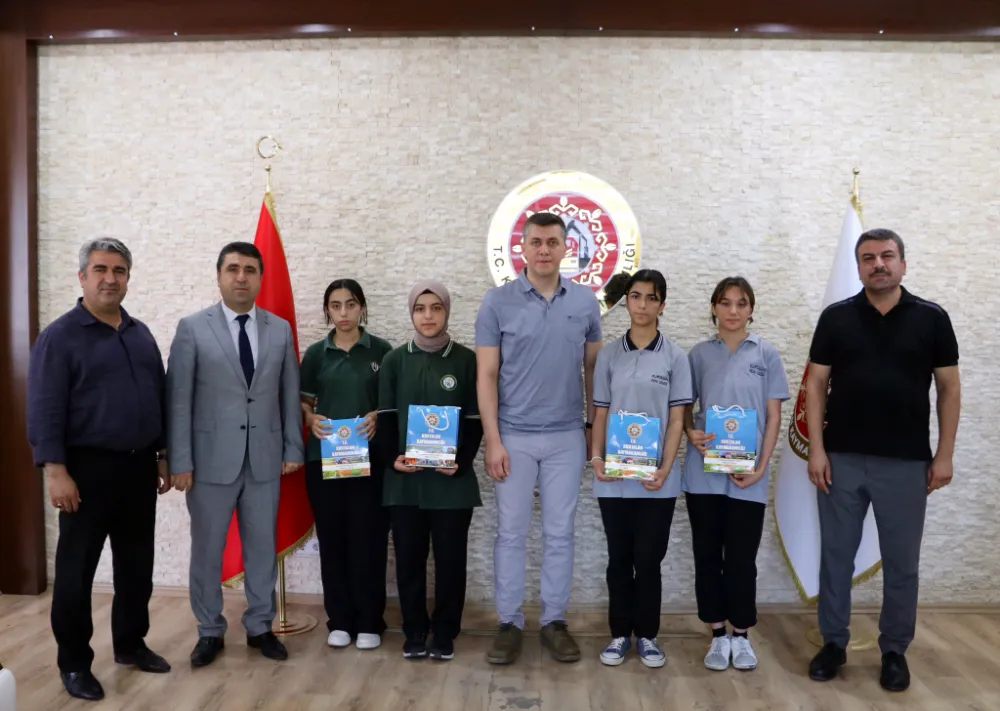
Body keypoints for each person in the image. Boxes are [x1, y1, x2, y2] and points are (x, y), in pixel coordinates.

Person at [805, 229, 960, 692]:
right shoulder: (836, 317)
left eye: (887, 256)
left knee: (902, 563)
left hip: (906, 463)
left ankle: (894, 650)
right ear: (858, 267)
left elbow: (949, 388)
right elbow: (815, 384)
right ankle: (834, 643)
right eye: (868, 257)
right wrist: (816, 449)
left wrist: (945, 454)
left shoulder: (932, 318)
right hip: (841, 459)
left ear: (902, 264)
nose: (878, 264)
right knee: (836, 557)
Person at [27, 238, 172, 702]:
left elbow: (158, 398)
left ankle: (130, 643)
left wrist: (162, 454)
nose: (111, 278)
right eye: (101, 269)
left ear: (128, 277)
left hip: (138, 469)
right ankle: (74, 663)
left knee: (136, 565)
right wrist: (55, 471)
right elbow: (45, 408)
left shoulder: (140, 333)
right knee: (76, 573)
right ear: (83, 277)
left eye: (119, 270)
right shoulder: (60, 337)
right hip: (85, 472)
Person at [166, 242, 305, 668]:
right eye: (233, 269)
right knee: (207, 551)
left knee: (262, 549)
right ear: (220, 275)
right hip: (208, 463)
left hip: (265, 459)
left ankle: (260, 626)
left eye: (250, 269)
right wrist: (180, 461)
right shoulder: (193, 328)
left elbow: (289, 394)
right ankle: (209, 629)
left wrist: (293, 447)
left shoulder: (280, 330)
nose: (241, 276)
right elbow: (178, 401)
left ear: (261, 277)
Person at [475, 211, 603, 665]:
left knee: (559, 534)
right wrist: (493, 440)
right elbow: (486, 375)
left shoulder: (585, 302)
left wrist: (593, 428)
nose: (544, 249)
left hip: (567, 436)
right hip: (513, 436)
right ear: (523, 248)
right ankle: (509, 623)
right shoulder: (497, 302)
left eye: (552, 242)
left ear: (566, 248)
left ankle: (554, 621)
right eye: (536, 242)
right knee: (511, 533)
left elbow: (592, 369)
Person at [682, 276, 789, 673]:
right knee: (707, 556)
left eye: (741, 303)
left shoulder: (766, 354)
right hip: (703, 475)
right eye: (725, 303)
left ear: (751, 310)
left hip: (748, 476)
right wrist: (690, 431)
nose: (732, 310)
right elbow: (684, 407)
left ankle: (741, 635)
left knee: (742, 559)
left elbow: (774, 416)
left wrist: (762, 466)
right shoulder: (698, 355)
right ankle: (717, 635)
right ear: (714, 308)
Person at [589, 270, 692, 668]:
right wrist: (597, 458)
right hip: (614, 479)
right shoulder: (609, 355)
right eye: (636, 296)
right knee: (619, 559)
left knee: (648, 561)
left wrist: (665, 468)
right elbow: (600, 413)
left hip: (656, 481)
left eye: (651, 297)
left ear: (662, 304)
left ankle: (647, 635)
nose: (643, 304)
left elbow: (677, 419)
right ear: (626, 302)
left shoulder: (675, 357)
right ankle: (619, 634)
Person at [379, 281, 484, 661]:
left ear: (447, 312)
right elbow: (386, 415)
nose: (428, 316)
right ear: (411, 313)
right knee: (408, 561)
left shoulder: (467, 360)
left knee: (451, 562)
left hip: (451, 484)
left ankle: (444, 631)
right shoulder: (394, 360)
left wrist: (462, 462)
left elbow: (475, 419)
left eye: (436, 308)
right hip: (404, 483)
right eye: (420, 308)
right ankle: (414, 630)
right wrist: (391, 458)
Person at [299, 279, 391, 651]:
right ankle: (339, 620)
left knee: (369, 540)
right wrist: (309, 418)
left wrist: (377, 415)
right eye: (335, 306)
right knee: (333, 540)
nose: (343, 313)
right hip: (324, 462)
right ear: (327, 311)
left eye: (350, 304)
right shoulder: (315, 354)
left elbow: (392, 403)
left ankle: (370, 621)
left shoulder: (382, 351)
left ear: (362, 308)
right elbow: (304, 402)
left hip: (369, 462)